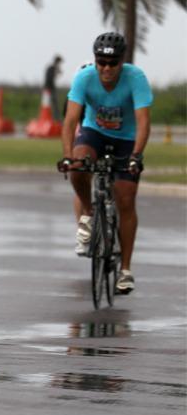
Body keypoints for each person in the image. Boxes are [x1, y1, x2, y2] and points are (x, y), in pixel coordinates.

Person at [58, 31, 151, 294]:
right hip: (94, 133)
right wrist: (67, 155)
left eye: (112, 63)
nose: (106, 68)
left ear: (122, 62)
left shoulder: (136, 78)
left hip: (126, 139)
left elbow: (144, 121)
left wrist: (136, 156)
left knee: (125, 198)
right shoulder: (84, 77)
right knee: (78, 165)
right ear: (95, 60)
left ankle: (125, 270)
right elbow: (70, 120)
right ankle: (88, 214)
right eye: (101, 62)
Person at [44, 54, 64, 120]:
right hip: (50, 88)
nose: (60, 64)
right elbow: (49, 78)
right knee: (53, 104)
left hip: (48, 88)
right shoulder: (52, 68)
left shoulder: (52, 67)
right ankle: (56, 118)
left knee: (51, 104)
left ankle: (54, 118)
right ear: (57, 62)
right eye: (59, 63)